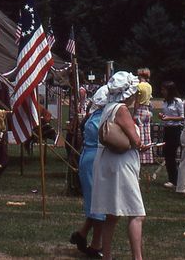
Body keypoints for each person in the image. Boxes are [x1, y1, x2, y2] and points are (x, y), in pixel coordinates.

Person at [91, 71, 151, 260]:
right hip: (121, 165)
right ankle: (137, 257)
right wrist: (142, 144)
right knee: (137, 213)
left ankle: (107, 255)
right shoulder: (121, 109)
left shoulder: (108, 107)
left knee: (112, 214)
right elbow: (134, 140)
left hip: (106, 161)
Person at [70, 86, 108, 258]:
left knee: (98, 204)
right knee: (99, 205)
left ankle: (82, 234)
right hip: (95, 161)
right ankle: (95, 244)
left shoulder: (94, 117)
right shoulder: (100, 120)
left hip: (91, 160)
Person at [159, 81, 184, 189]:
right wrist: (163, 116)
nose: (162, 92)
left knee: (172, 153)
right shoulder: (165, 102)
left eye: (164, 89)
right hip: (167, 129)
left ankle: (175, 179)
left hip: (175, 129)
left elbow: (182, 117)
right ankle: (172, 178)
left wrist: (169, 118)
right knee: (167, 154)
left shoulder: (177, 101)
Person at [134, 67, 154, 165]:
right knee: (147, 134)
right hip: (147, 110)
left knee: (139, 133)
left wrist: (134, 113)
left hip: (140, 110)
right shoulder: (149, 86)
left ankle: (139, 156)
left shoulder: (139, 86)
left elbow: (137, 101)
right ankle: (147, 157)